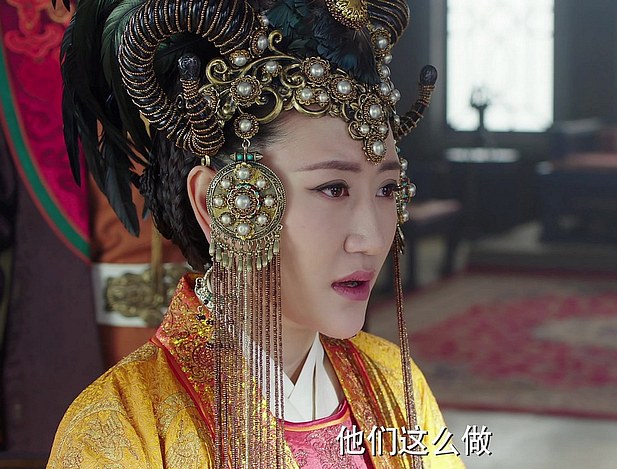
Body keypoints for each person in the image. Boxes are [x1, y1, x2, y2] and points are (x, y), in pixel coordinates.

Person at [46, 0, 463, 467]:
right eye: (333, 188)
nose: (371, 239)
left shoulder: (395, 382)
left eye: (387, 189)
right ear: (217, 201)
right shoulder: (119, 429)